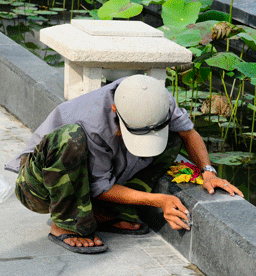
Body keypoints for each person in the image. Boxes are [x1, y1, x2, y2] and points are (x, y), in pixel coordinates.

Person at [5, 75, 243, 254]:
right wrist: (160, 200)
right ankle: (66, 225)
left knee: (173, 137)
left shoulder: (157, 100)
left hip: (93, 179)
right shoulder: (91, 122)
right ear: (114, 111)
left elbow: (189, 133)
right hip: (41, 188)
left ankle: (103, 213)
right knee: (71, 139)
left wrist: (208, 172)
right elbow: (101, 187)